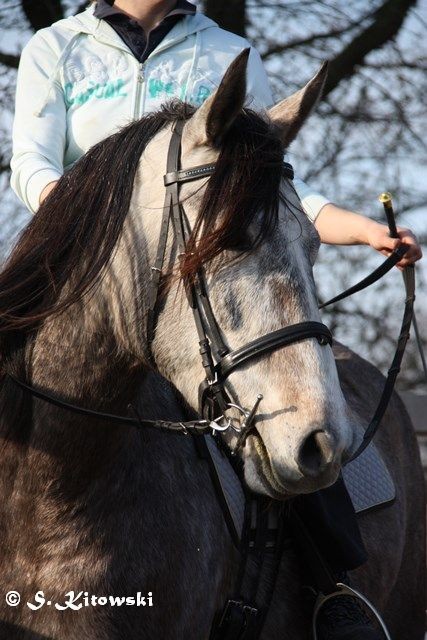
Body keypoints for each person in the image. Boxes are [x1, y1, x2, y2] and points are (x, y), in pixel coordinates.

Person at [9, 1, 422, 638]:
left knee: (278, 398)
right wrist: (94, 225)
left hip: (191, 285)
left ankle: (331, 590)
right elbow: (32, 164)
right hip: (83, 271)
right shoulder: (56, 49)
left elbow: (280, 187)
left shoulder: (228, 53)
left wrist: (360, 230)